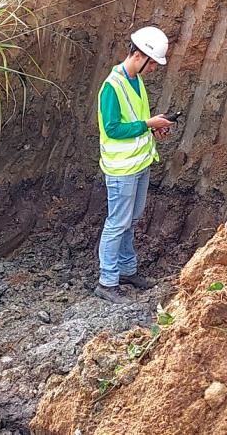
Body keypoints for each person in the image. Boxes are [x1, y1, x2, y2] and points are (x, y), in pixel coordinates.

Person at [94, 26, 174, 304]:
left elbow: (135, 120)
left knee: (131, 221)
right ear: (139, 56)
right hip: (121, 170)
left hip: (139, 164)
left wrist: (153, 128)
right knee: (117, 223)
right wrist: (148, 124)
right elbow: (113, 128)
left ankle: (127, 271)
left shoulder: (135, 81)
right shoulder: (111, 87)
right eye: (153, 63)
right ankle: (107, 281)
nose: (154, 69)